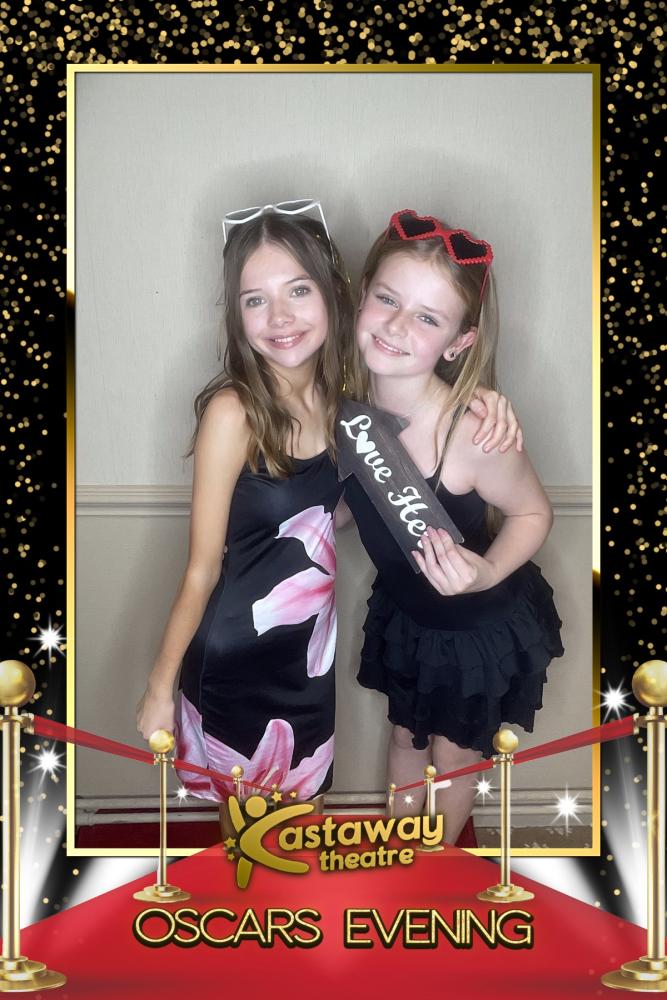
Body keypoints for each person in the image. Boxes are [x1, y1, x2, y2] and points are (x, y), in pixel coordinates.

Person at [135, 202, 520, 840]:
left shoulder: (346, 405)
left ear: (336, 295)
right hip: (237, 659)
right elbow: (201, 571)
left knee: (304, 827)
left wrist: (477, 395)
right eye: (254, 299)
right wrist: (159, 688)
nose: (279, 316)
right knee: (255, 848)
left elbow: (336, 500)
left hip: (308, 660)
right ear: (236, 314)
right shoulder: (234, 413)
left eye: (298, 290)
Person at [345, 209, 564, 845]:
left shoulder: (472, 433)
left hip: (476, 630)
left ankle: (434, 866)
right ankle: (400, 853)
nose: (396, 326)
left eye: (427, 318)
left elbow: (534, 513)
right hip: (408, 617)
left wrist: (488, 570)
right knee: (404, 739)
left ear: (458, 343)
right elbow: (352, 500)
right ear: (362, 297)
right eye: (387, 299)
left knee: (454, 755)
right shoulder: (344, 407)